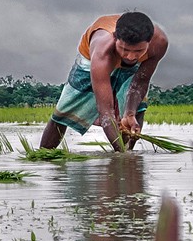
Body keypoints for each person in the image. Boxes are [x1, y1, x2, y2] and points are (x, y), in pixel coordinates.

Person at [40, 12, 168, 150]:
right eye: (125, 49)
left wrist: (129, 113)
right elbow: (106, 112)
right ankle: (44, 155)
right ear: (115, 39)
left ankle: (129, 149)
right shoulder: (102, 50)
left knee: (138, 109)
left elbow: (141, 82)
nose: (131, 56)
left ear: (149, 42)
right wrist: (121, 157)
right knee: (63, 112)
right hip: (91, 62)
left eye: (138, 50)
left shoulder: (159, 42)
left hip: (131, 68)